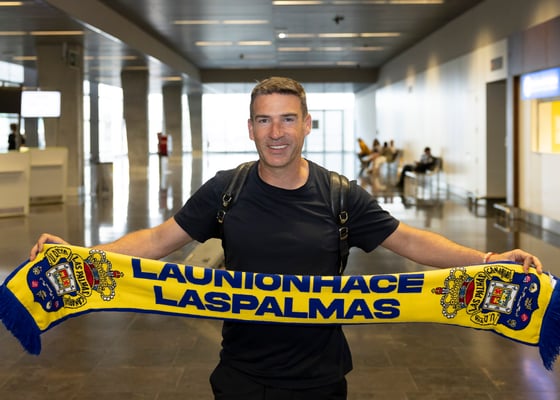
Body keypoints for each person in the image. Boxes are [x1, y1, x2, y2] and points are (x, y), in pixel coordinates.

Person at [29, 77, 542, 400]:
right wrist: (78, 256)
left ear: (307, 125)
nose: (276, 132)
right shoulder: (226, 190)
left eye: (288, 119)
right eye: (265, 120)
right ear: (250, 128)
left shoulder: (340, 195)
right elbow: (157, 240)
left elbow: (409, 241)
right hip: (241, 373)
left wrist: (487, 259)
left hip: (319, 377)